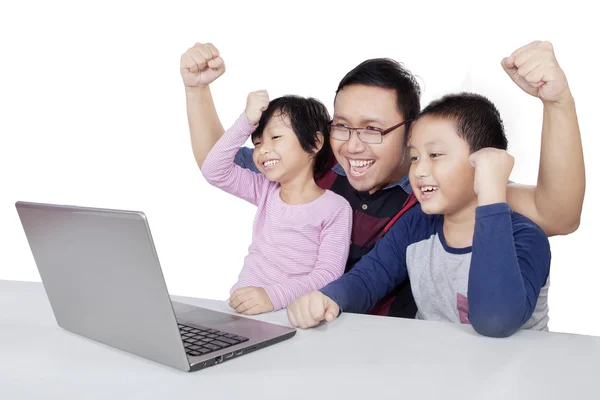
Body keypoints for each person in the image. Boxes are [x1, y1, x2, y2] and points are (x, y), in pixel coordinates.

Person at [180, 40, 584, 318]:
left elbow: (559, 214)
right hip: (301, 333)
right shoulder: (313, 171)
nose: (353, 146)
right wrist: (197, 90)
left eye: (372, 129)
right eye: (342, 126)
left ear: (410, 131)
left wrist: (557, 102)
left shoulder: (436, 193)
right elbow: (219, 162)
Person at [286, 92, 551, 338]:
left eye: (435, 155)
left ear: (483, 162)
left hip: (512, 378)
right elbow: (370, 276)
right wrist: (328, 298)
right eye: (414, 157)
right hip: (431, 372)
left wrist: (493, 191)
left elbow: (495, 320)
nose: (419, 171)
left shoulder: (526, 238)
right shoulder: (417, 225)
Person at [201, 90, 352, 315]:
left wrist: (273, 296)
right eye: (257, 142)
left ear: (315, 142)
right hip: (241, 310)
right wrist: (246, 121)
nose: (263, 150)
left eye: (275, 137)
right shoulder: (265, 190)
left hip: (293, 316)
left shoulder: (335, 208)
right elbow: (213, 169)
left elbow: (327, 275)